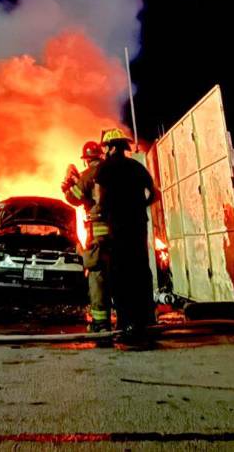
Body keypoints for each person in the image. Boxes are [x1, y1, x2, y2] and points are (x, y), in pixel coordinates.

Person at [93, 127, 157, 340]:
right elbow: (154, 194)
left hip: (118, 228)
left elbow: (100, 200)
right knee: (140, 271)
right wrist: (140, 206)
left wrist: (102, 212)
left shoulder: (104, 169)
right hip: (138, 227)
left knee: (120, 274)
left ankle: (124, 322)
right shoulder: (136, 167)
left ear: (111, 147)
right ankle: (147, 320)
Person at [61, 141, 110, 331]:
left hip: (98, 234)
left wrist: (67, 185)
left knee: (97, 277)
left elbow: (74, 197)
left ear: (86, 160)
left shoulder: (89, 174)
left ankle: (100, 322)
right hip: (121, 232)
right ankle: (127, 319)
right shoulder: (112, 170)